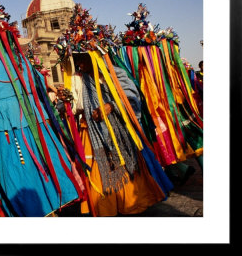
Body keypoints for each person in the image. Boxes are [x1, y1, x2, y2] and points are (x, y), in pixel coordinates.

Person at [0, 0, 80, 216]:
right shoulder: (22, 63)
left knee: (11, 180)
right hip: (36, 130)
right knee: (43, 174)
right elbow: (41, 95)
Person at [57, 52, 169, 216]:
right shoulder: (76, 78)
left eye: (83, 58)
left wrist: (110, 106)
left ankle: (130, 205)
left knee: (124, 170)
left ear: (94, 56)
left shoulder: (114, 73)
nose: (80, 64)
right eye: (77, 60)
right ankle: (105, 209)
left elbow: (132, 98)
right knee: (98, 176)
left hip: (118, 133)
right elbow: (73, 107)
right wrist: (64, 101)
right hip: (90, 134)